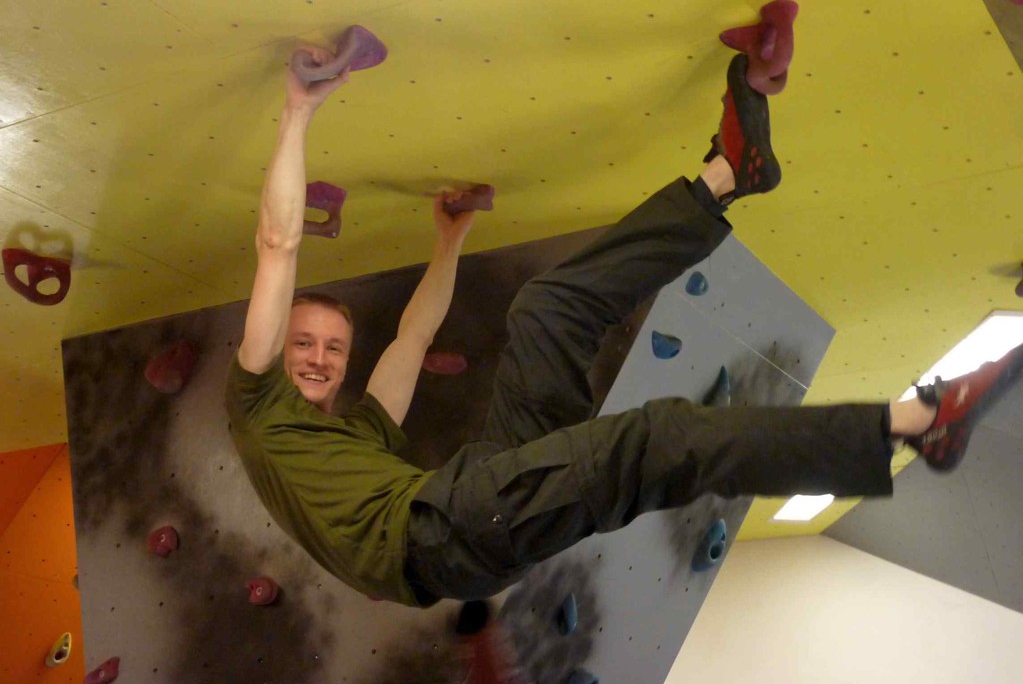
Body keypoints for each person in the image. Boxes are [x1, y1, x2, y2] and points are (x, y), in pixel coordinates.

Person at [225, 46, 1023, 608]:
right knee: (652, 441)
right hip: (439, 537)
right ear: (272, 354)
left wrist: (449, 241)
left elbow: (409, 342)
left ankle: (726, 175)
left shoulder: (360, 435)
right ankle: (914, 424)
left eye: (330, 346)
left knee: (548, 309)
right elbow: (277, 245)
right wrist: (297, 114)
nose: (321, 359)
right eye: (304, 345)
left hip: (465, 490)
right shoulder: (257, 407)